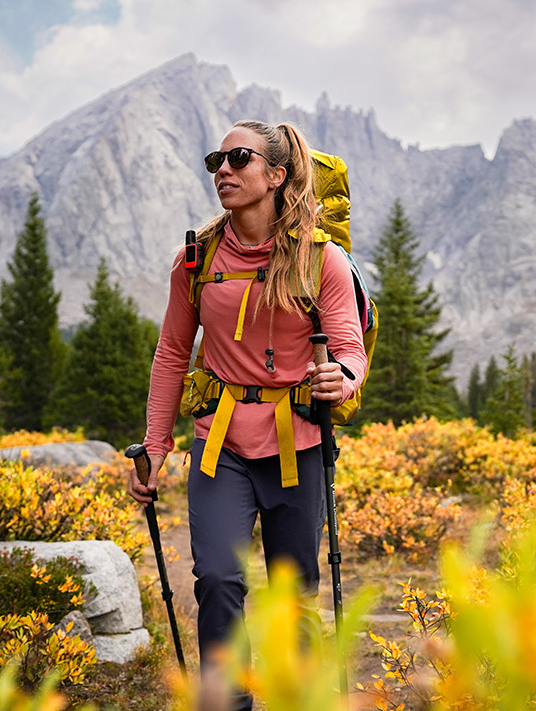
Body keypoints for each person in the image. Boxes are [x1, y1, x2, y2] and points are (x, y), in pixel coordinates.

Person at [128, 120, 366, 708]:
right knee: (216, 580)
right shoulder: (198, 259)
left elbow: (349, 345)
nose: (224, 171)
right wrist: (155, 447)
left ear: (276, 175)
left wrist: (343, 375)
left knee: (295, 592)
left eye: (239, 159)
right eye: (217, 160)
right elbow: (171, 354)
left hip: (299, 443)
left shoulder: (321, 258)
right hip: (221, 444)